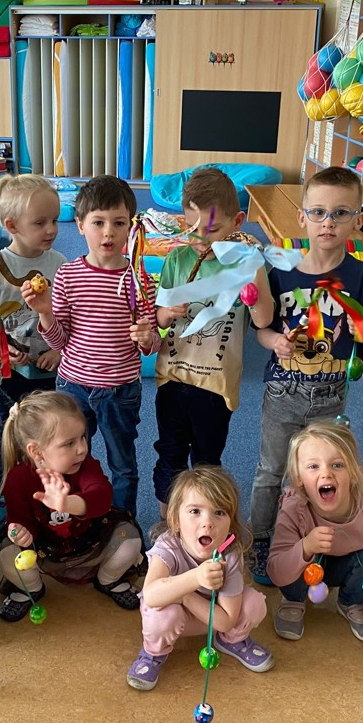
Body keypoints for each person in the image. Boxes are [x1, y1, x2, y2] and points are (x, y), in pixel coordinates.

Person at [248, 167, 363, 583]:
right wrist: (276, 342)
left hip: (330, 392)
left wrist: (350, 308)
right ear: (302, 217)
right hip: (283, 388)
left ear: (357, 220)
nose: (328, 222)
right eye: (318, 212)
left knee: (324, 473)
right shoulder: (280, 272)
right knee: (271, 471)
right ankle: (262, 540)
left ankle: (314, 538)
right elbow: (261, 330)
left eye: (341, 213)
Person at [25, 175, 155, 516]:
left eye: (118, 223)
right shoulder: (67, 276)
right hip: (73, 387)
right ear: (81, 225)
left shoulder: (140, 280)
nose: (108, 232)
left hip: (120, 390)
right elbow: (60, 342)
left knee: (122, 463)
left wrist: (148, 338)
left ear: (131, 227)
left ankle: (122, 522)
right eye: (98, 222)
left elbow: (151, 345)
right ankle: (69, 519)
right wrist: (45, 313)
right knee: (65, 458)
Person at [152, 167, 273, 521]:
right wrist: (166, 313)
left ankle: (204, 527)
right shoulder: (177, 259)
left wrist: (253, 283)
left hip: (216, 386)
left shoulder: (248, 265)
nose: (201, 240)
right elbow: (158, 319)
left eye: (213, 230)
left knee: (207, 462)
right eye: (192, 229)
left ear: (237, 222)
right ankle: (168, 529)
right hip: (173, 379)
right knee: (170, 457)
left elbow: (263, 320)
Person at [0, 391, 144, 621]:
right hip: (45, 548)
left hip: (90, 540)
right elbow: (18, 519)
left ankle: (108, 580)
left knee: (131, 540)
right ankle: (32, 589)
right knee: (6, 555)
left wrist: (67, 503)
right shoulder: (18, 478)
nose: (82, 448)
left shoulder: (85, 464)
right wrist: (18, 532)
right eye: (69, 443)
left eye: (82, 437)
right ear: (35, 451)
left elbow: (102, 497)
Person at [0, 174, 65, 526]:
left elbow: (69, 315)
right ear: (11, 226)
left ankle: (51, 494)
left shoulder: (60, 263)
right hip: (8, 370)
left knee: (52, 434)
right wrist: (2, 346)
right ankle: (3, 493)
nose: (51, 229)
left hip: (50, 369)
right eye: (40, 223)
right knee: (8, 432)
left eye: (54, 220)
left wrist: (60, 351)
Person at [127, 466, 273, 690]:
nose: (208, 522)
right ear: (175, 520)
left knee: (254, 604)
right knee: (161, 616)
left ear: (230, 525)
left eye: (219, 512)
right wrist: (195, 578)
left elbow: (225, 622)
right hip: (175, 619)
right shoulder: (167, 545)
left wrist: (185, 597)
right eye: (195, 511)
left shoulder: (230, 554)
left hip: (212, 620)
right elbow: (152, 595)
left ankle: (231, 641)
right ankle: (153, 652)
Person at [267, 421, 363, 648]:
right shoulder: (295, 508)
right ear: (298, 478)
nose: (326, 473)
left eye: (337, 465)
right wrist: (305, 547)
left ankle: (350, 602)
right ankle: (293, 600)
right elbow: (275, 570)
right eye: (313, 466)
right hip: (306, 572)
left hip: (347, 567)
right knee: (290, 557)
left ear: (354, 474)